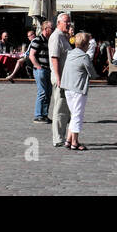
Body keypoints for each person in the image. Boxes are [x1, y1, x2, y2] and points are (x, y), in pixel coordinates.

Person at [61, 32, 95, 151]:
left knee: (73, 114)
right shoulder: (84, 57)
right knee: (77, 115)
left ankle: (68, 140)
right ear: (86, 45)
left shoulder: (70, 54)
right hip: (78, 88)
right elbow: (92, 73)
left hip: (67, 87)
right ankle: (75, 142)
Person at [48, 13, 72, 148]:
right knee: (60, 108)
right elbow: (54, 58)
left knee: (65, 109)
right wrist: (58, 78)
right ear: (58, 22)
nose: (68, 24)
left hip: (66, 78)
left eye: (69, 22)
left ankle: (63, 136)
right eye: (66, 22)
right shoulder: (56, 37)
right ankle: (58, 138)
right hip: (60, 78)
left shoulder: (63, 37)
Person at [30, 21, 52, 122]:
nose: (53, 30)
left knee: (48, 92)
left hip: (48, 69)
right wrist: (38, 67)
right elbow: (31, 55)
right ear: (45, 29)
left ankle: (44, 114)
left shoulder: (50, 40)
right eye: (51, 28)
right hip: (41, 69)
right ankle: (38, 115)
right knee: (42, 92)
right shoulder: (37, 40)